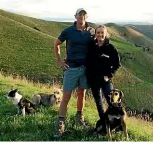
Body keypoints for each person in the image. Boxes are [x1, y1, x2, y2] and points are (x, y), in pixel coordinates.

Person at [53, 8, 95, 138]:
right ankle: (61, 123)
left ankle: (79, 119)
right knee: (66, 96)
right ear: (75, 16)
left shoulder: (91, 31)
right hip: (71, 68)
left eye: (84, 14)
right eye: (79, 14)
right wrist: (59, 61)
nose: (81, 16)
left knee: (82, 94)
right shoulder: (68, 31)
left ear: (86, 17)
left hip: (85, 69)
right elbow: (56, 44)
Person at [86, 25, 121, 120]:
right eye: (98, 33)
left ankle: (117, 123)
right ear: (95, 34)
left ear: (106, 34)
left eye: (102, 33)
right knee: (98, 102)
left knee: (112, 101)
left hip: (105, 80)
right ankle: (104, 123)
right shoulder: (91, 46)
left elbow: (117, 64)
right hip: (93, 79)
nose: (100, 35)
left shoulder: (110, 48)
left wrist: (109, 75)